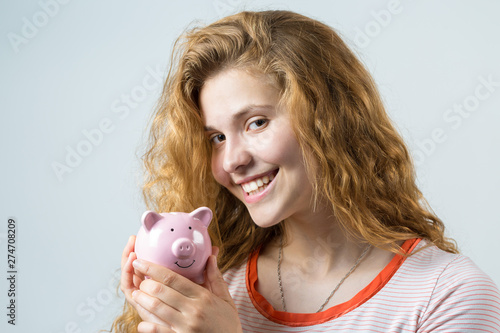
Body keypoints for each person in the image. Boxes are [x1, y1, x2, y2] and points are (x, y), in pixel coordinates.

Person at [111, 10, 500, 332]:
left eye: (256, 123)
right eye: (216, 138)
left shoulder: (447, 294)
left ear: (328, 118)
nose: (231, 161)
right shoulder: (208, 294)